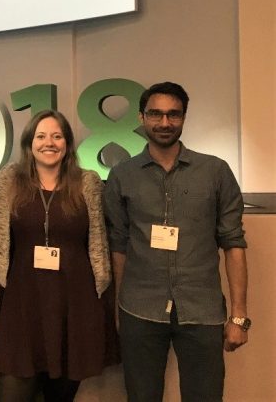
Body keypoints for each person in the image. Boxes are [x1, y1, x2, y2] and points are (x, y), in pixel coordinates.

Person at [103, 82, 249, 402]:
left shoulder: (215, 171)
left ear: (184, 118)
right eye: (155, 114)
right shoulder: (122, 176)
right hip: (139, 309)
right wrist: (118, 309)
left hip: (202, 310)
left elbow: (233, 243)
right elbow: (118, 244)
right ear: (142, 118)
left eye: (173, 115)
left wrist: (239, 317)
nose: (164, 123)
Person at [0, 110, 117, 402]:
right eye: (41, 136)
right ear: (29, 143)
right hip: (22, 301)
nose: (49, 143)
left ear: (68, 144)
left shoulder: (88, 182)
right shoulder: (9, 180)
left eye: (57, 136)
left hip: (74, 303)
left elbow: (97, 236)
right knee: (12, 391)